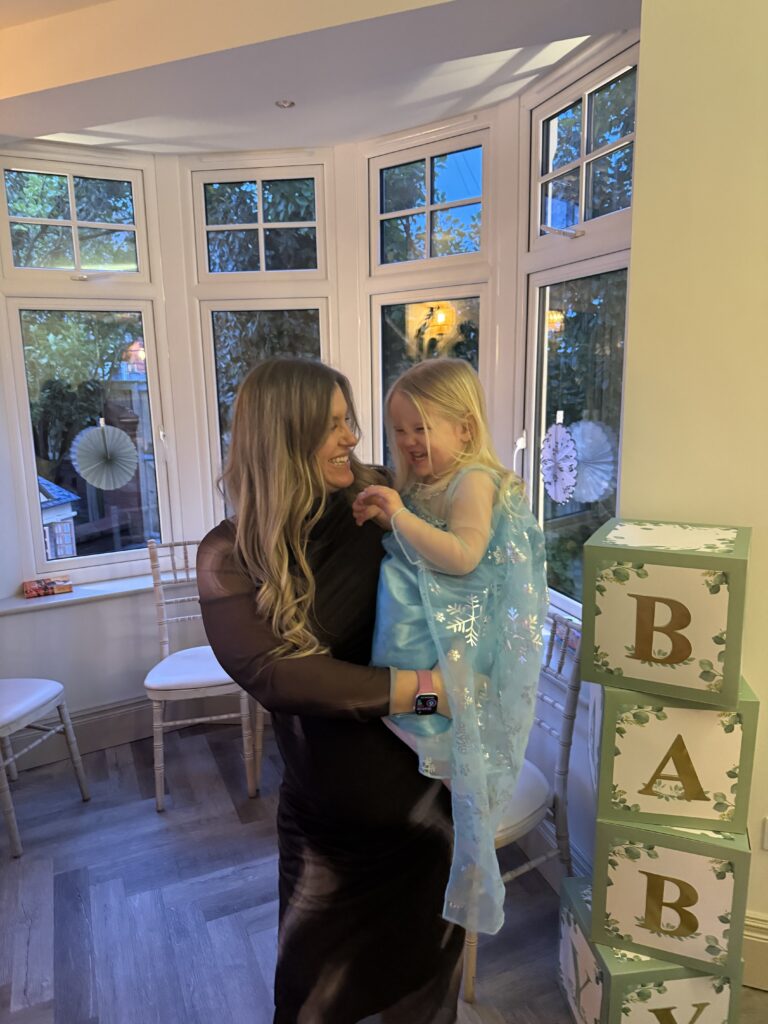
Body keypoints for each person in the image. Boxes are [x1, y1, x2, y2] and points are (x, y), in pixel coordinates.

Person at [196, 357, 465, 1024]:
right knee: (311, 1001)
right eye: (334, 425)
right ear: (285, 435)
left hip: (424, 810)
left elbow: (468, 543)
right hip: (328, 830)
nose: (353, 437)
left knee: (423, 993)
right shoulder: (230, 554)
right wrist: (427, 690)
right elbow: (277, 675)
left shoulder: (379, 501)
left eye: (351, 421)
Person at [352, 358, 548, 937]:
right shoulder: (428, 483)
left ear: (465, 428)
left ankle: (461, 831)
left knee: (433, 722)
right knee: (412, 717)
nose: (408, 441)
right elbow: (423, 548)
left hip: (452, 635)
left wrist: (398, 516)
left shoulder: (474, 481)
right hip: (420, 634)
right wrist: (390, 516)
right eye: (399, 429)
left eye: (421, 427)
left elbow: (462, 557)